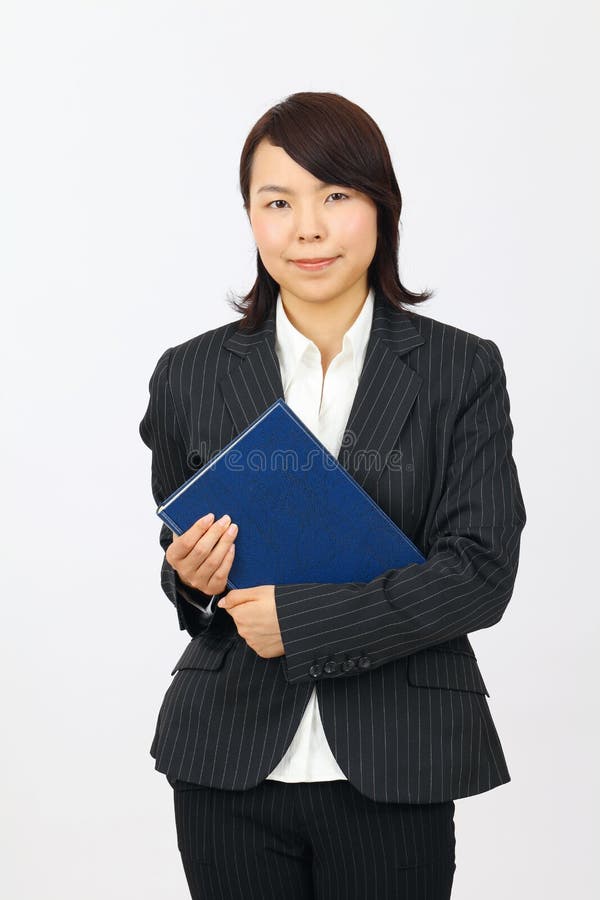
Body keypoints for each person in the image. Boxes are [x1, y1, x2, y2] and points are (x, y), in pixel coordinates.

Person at [139, 91, 526, 900]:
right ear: (250, 218)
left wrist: (304, 623)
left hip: (397, 758)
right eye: (277, 202)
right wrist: (191, 577)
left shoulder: (461, 370)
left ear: (380, 208)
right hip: (225, 758)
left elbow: (480, 571)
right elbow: (181, 561)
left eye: (335, 196)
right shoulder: (191, 373)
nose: (306, 228)